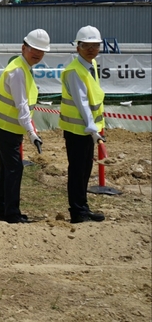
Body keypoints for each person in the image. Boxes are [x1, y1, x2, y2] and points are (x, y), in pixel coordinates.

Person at [0, 29, 50, 224]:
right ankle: (11, 213)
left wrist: (29, 130)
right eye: (34, 49)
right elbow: (21, 105)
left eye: (41, 51)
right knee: (14, 168)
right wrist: (32, 133)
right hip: (7, 126)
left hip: (7, 125)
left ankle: (3, 209)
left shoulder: (23, 67)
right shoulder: (17, 71)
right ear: (24, 48)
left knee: (7, 168)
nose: (38, 54)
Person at [60, 25, 107, 224]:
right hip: (77, 130)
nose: (91, 49)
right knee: (78, 170)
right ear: (77, 47)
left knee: (85, 169)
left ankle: (83, 207)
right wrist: (92, 128)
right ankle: (77, 212)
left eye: (95, 45)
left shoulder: (91, 65)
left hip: (87, 130)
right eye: (86, 45)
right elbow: (82, 103)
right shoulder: (74, 71)